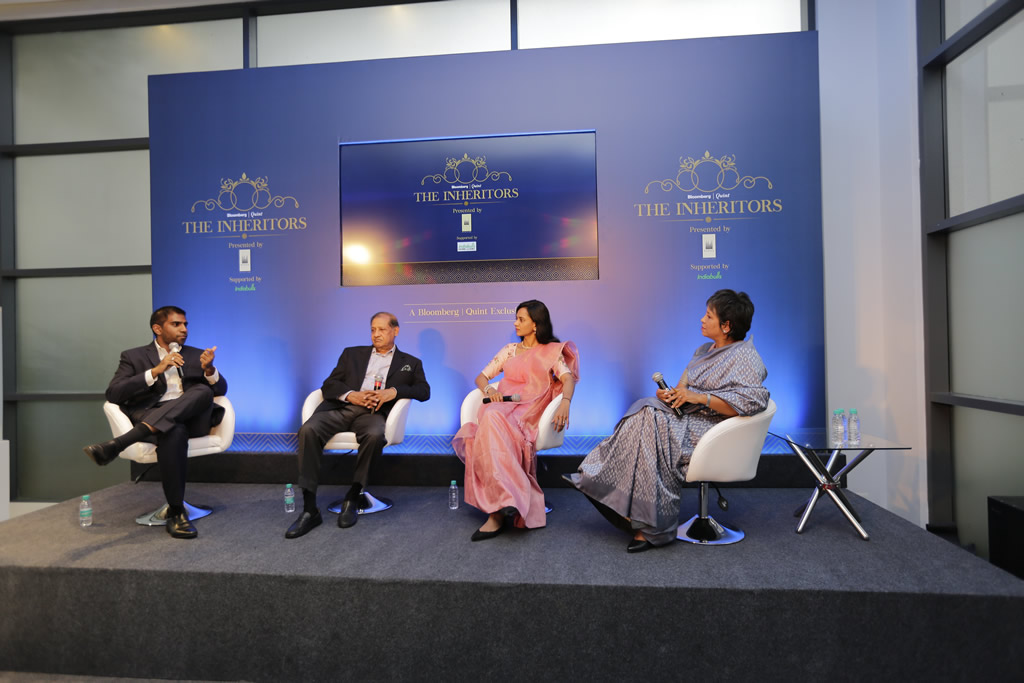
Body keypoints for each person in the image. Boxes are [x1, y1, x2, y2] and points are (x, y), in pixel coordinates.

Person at [566, 289, 769, 553]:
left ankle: (647, 521)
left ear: (726, 326)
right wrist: (672, 394)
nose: (702, 319)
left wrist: (700, 397)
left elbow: (752, 401)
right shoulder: (703, 350)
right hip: (687, 417)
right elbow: (683, 387)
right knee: (644, 412)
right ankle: (631, 509)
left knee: (651, 422)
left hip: (714, 430)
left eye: (709, 316)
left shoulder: (745, 357)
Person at [83, 306, 227, 539]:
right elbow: (114, 393)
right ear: (157, 329)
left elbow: (221, 390)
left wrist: (209, 370)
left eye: (185, 324)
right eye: (176, 324)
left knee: (202, 391)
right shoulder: (133, 356)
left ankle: (118, 444)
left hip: (191, 418)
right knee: (173, 431)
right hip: (153, 415)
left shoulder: (197, 355)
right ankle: (177, 513)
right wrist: (156, 370)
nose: (184, 329)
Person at [286, 312, 430, 539]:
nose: (376, 334)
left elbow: (424, 391)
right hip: (340, 409)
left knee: (374, 435)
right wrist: (351, 395)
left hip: (373, 414)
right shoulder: (352, 354)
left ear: (395, 331)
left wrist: (393, 392)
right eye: (373, 330)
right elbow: (329, 385)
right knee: (308, 430)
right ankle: (309, 509)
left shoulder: (410, 363)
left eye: (382, 329)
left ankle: (353, 496)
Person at [453, 300, 579, 541]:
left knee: (492, 420)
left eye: (521, 319)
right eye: (516, 318)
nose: (515, 323)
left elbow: (567, 379)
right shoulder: (509, 350)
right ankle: (504, 503)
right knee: (491, 416)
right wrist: (490, 390)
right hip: (503, 405)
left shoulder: (551, 352)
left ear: (536, 324)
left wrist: (565, 402)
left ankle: (500, 509)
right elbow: (481, 377)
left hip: (530, 410)